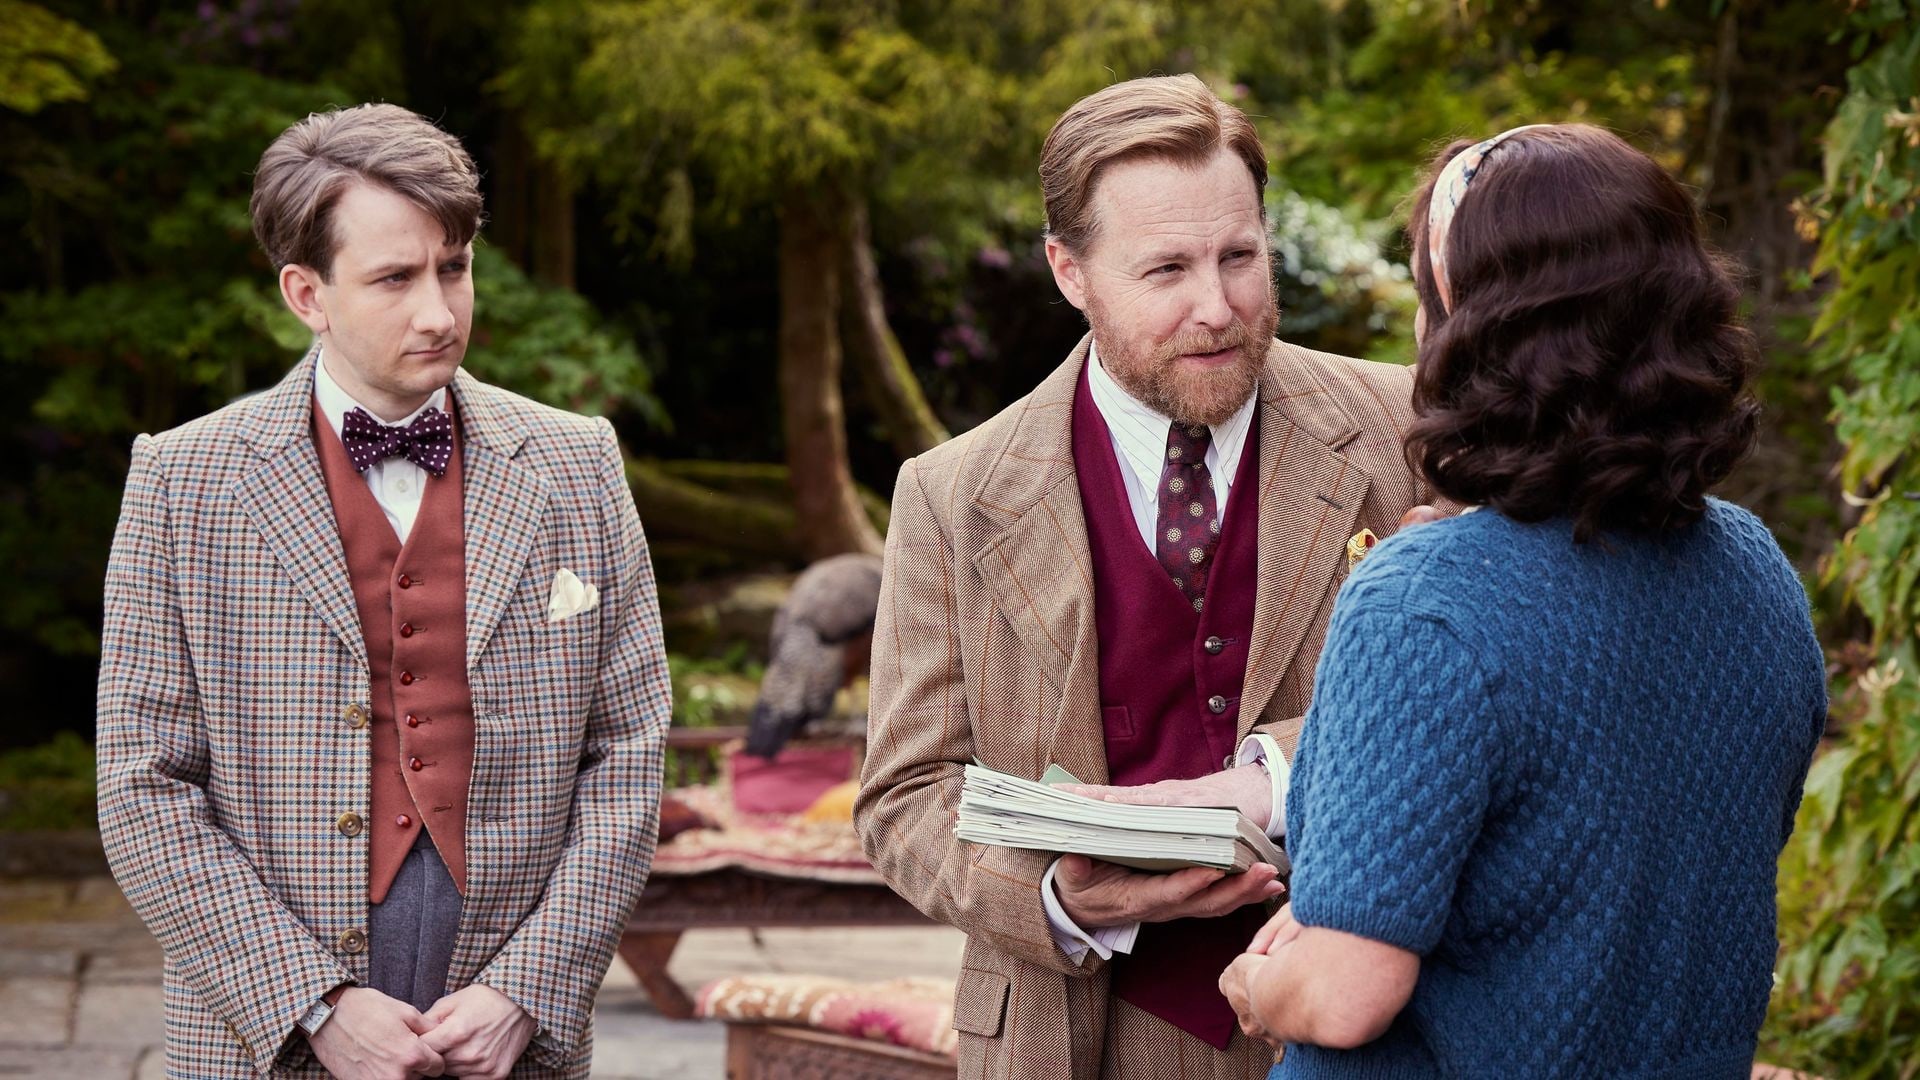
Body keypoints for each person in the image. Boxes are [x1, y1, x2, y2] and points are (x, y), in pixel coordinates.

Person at [853, 74, 1441, 1079]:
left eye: (1241, 258)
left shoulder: (1410, 430)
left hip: (1369, 1024)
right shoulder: (951, 494)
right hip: (1065, 1037)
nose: (1217, 307)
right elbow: (904, 795)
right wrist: (1058, 901)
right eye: (1166, 268)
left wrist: (1274, 779)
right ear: (1068, 271)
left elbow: (1504, 698)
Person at [1217, 123, 1827, 1079]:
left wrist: (1260, 989)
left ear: (1468, 330)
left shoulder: (1424, 602)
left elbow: (1344, 997)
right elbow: (1622, 870)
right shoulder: (1757, 573)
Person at [95, 103, 672, 1079]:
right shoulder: (182, 482)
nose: (440, 311)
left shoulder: (579, 465)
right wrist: (309, 1003)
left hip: (507, 1022)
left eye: (454, 267)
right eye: (395, 278)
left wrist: (530, 986)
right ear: (306, 293)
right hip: (260, 1028)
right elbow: (141, 788)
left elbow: (629, 755)